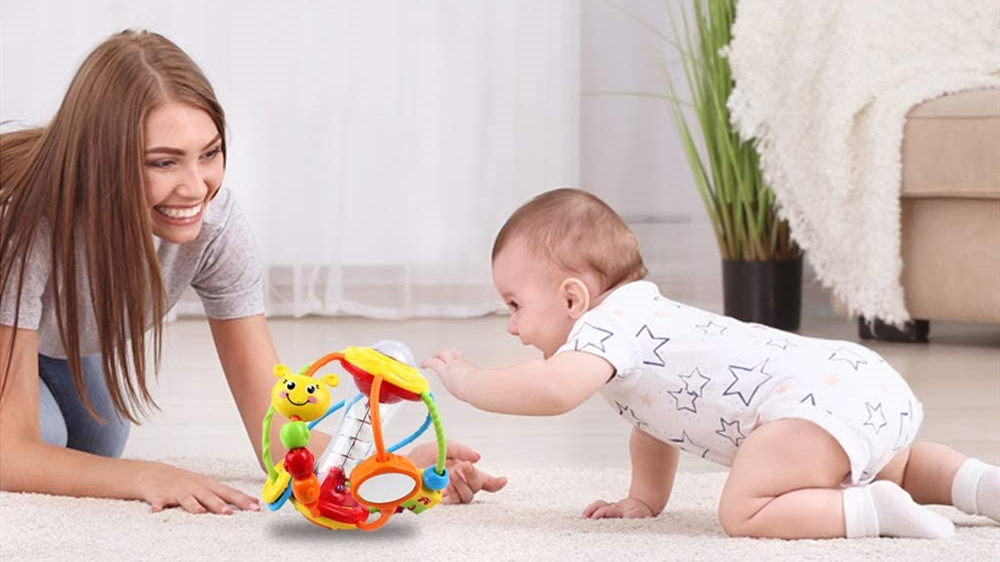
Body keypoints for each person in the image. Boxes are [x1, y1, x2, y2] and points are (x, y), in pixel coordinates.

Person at [0, 29, 505, 515]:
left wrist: (385, 466)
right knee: (45, 441)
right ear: (98, 160)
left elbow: (274, 426)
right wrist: (147, 475)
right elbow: (12, 455)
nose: (196, 187)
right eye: (163, 163)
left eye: (210, 153)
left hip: (49, 346)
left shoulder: (215, 226)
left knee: (97, 438)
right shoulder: (22, 218)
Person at [423, 187, 999, 539]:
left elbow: (552, 392)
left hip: (803, 407)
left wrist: (471, 383)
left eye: (516, 305)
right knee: (896, 462)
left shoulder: (603, 328)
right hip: (857, 380)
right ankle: (977, 486)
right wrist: (644, 500)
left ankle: (872, 510)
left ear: (573, 297)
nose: (513, 325)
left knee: (745, 510)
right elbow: (655, 423)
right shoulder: (643, 317)